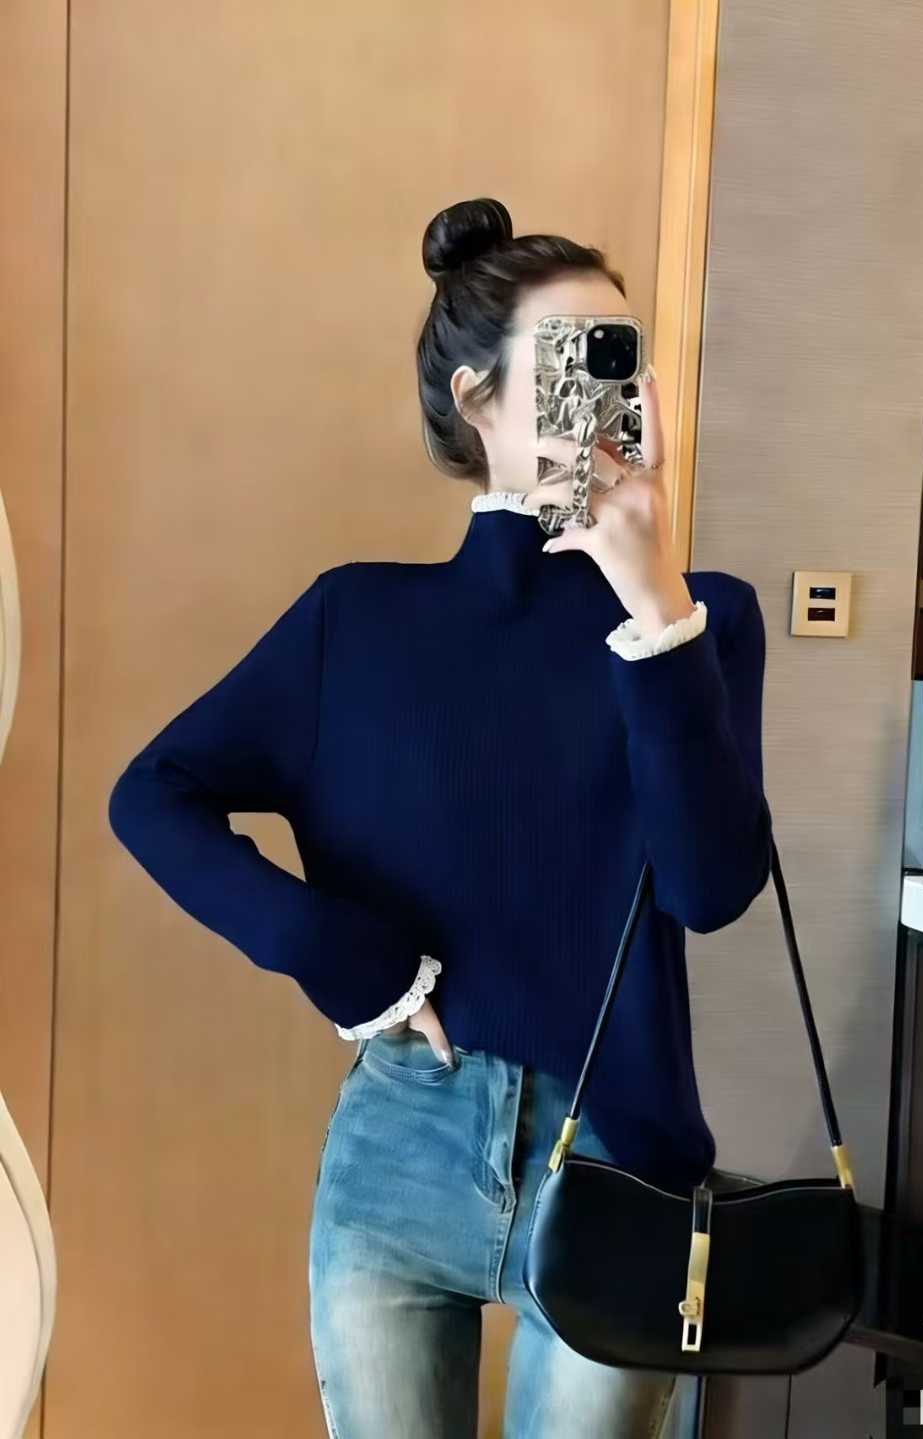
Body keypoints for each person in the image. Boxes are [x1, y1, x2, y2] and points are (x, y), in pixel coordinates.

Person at [107, 196, 773, 1438]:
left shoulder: (702, 619)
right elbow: (151, 793)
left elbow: (711, 887)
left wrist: (651, 603)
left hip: (619, 1155)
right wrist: (339, 953)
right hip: (401, 1146)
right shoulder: (357, 623)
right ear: (478, 399)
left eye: (630, 358)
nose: (619, 392)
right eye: (583, 358)